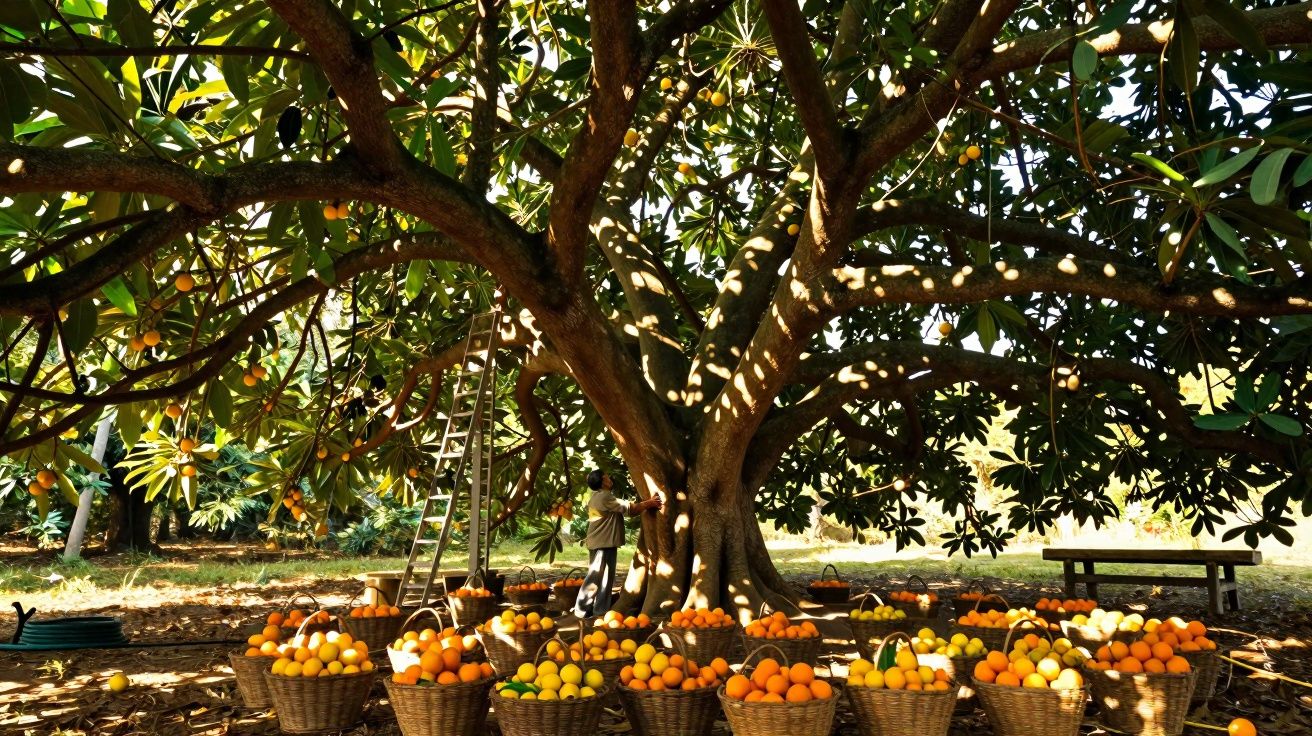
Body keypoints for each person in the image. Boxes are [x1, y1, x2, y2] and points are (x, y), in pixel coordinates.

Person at [572, 468, 661, 619]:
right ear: (603, 482)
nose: (609, 478)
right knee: (595, 577)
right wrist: (650, 503)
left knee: (605, 578)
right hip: (602, 544)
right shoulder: (604, 497)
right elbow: (630, 509)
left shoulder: (597, 496)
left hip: (602, 542)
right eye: (606, 477)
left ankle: (600, 611)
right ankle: (581, 611)